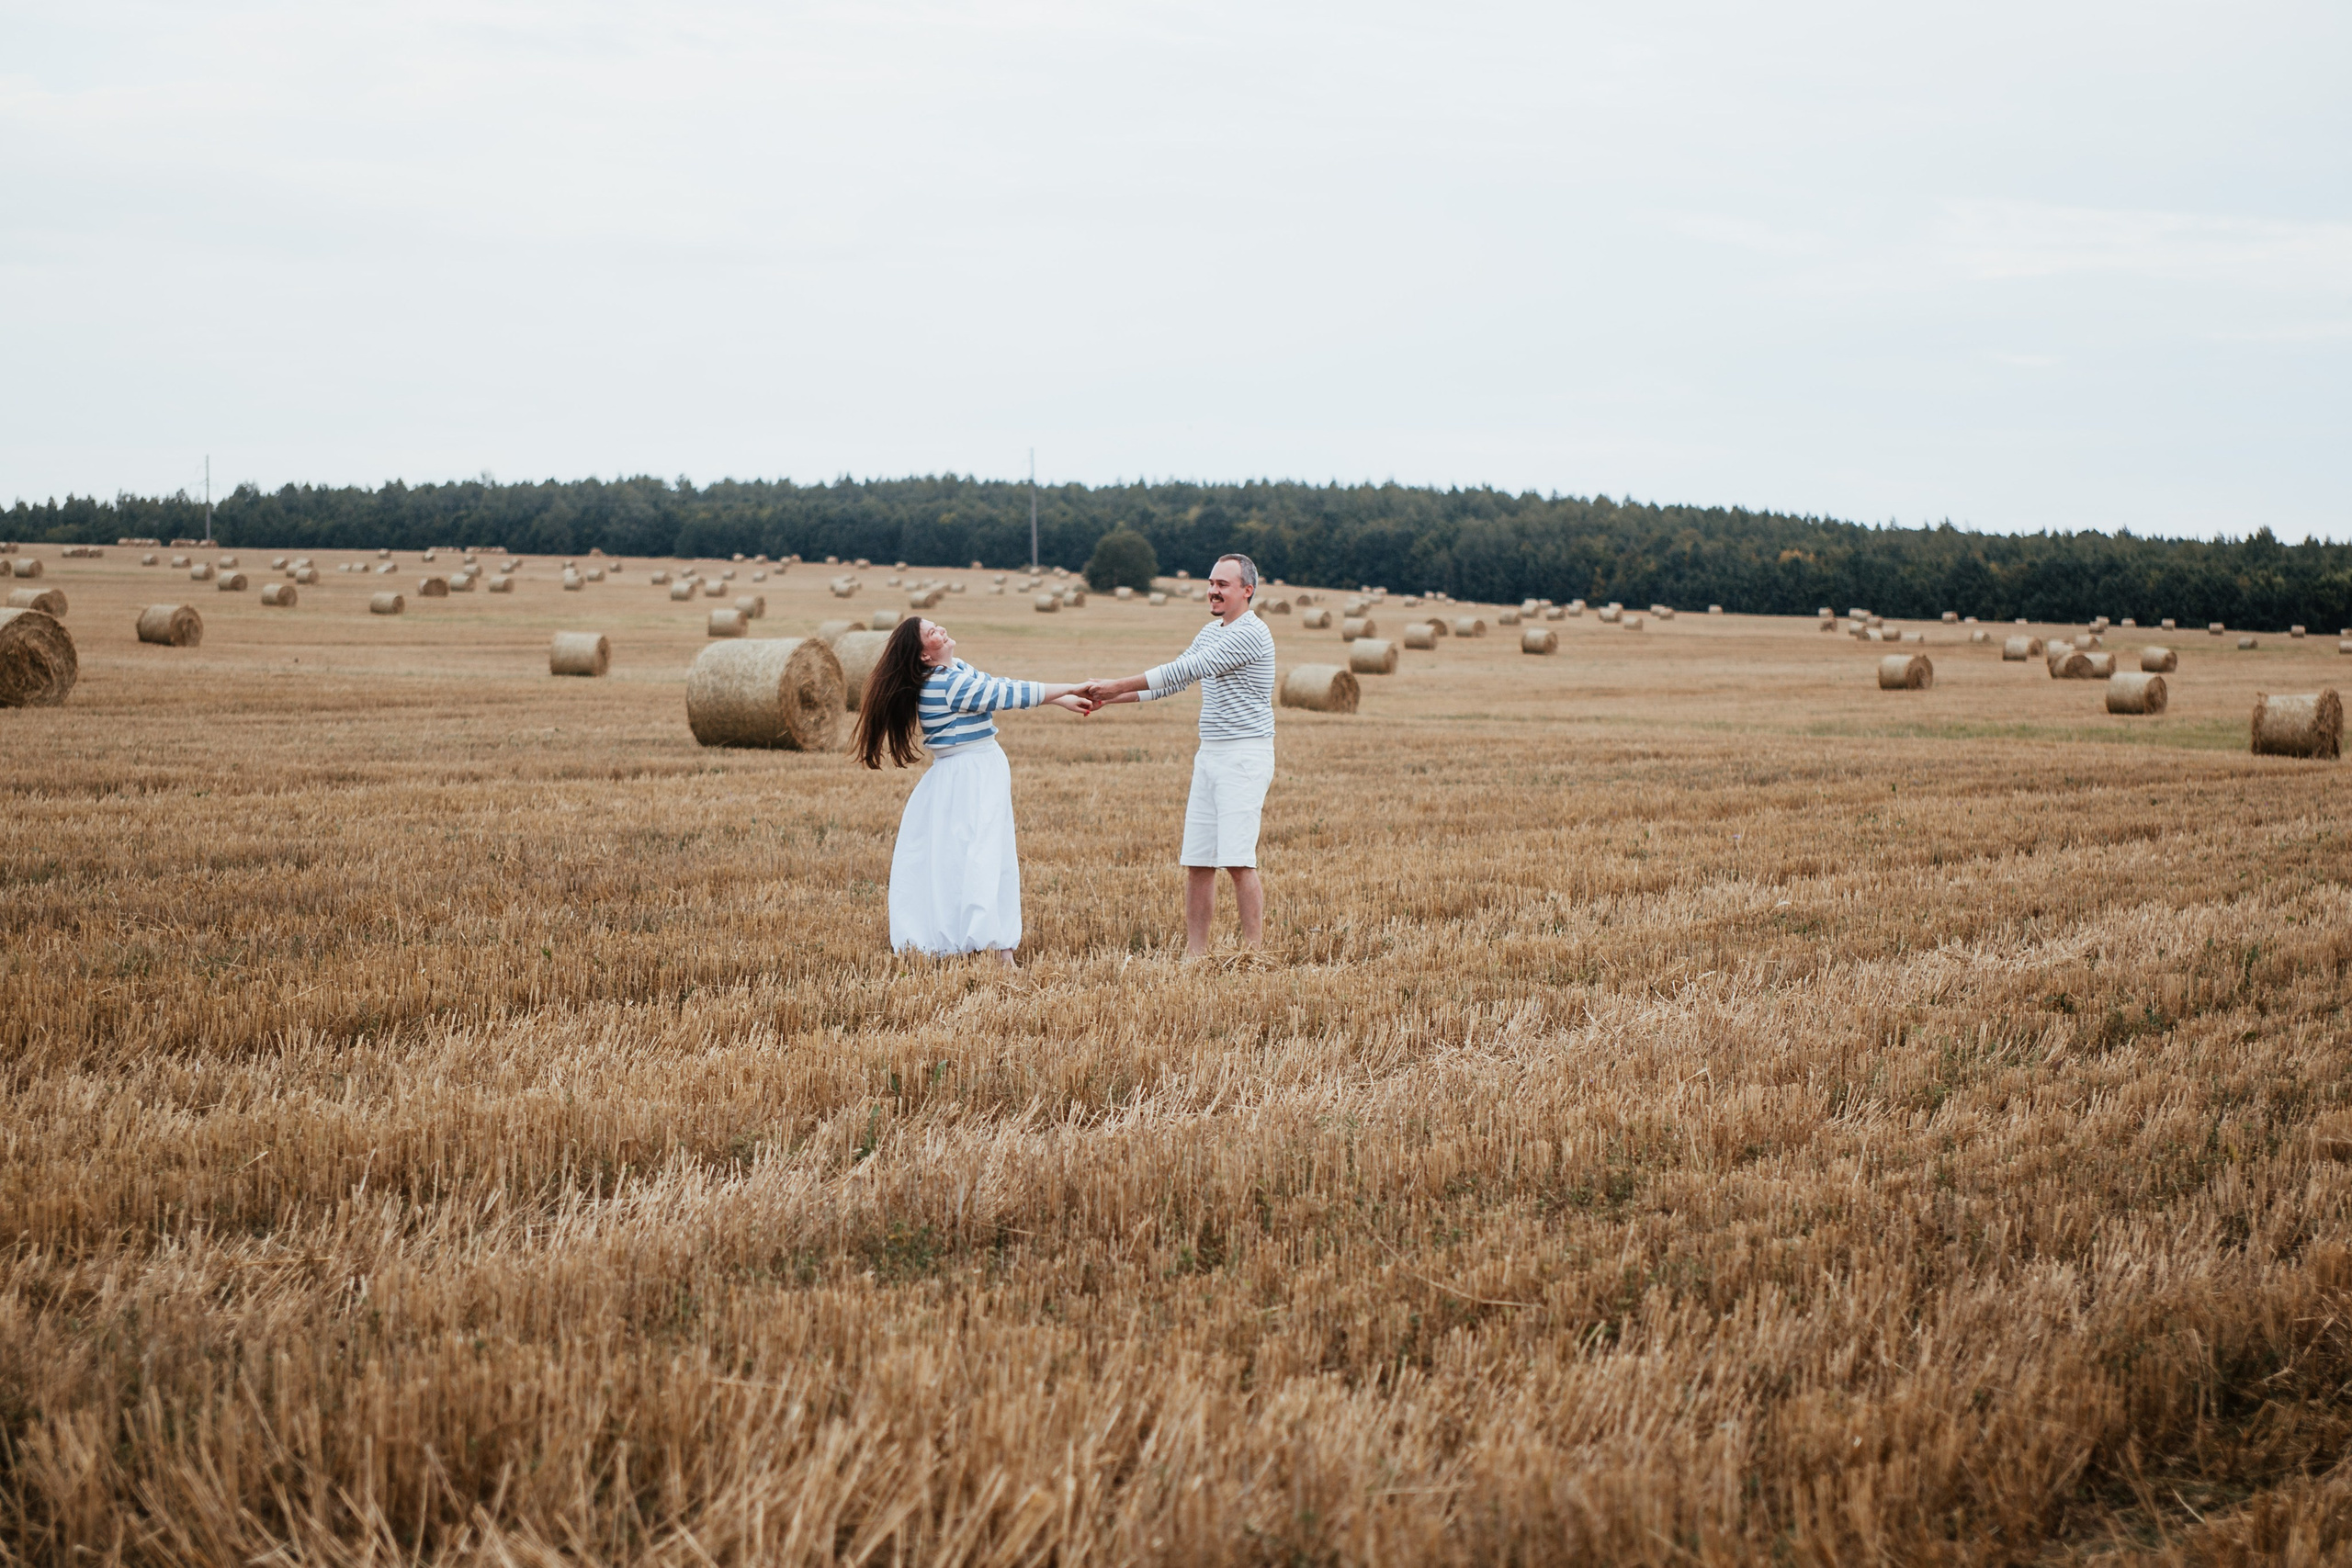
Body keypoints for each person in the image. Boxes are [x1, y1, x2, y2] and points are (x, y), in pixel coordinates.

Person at [854, 616, 1092, 964]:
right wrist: (1072, 687)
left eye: (936, 625)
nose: (941, 630)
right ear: (924, 655)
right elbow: (1003, 696)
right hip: (969, 774)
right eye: (931, 632)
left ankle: (981, 940)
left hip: (971, 770)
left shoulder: (957, 671)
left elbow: (997, 684)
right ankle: (991, 945)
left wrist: (1061, 699)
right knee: (983, 856)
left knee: (970, 856)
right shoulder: (945, 684)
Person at [1080, 553, 1277, 957]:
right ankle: (1195, 955)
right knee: (1199, 861)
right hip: (1210, 754)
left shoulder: (1251, 634)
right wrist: (1109, 700)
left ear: (1247, 590)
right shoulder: (1210, 632)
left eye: (1222, 585)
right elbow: (1171, 682)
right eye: (1211, 583)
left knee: (1238, 861)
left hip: (1244, 755)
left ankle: (1253, 956)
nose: (1213, 591)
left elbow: (1182, 671)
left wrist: (1116, 685)